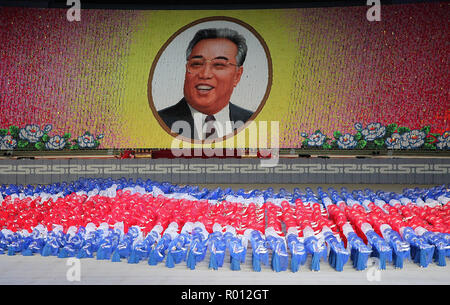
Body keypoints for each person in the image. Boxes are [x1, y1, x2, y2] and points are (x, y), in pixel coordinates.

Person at [158, 28, 254, 141]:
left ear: (237, 76)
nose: (205, 74)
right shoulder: (158, 121)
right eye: (197, 64)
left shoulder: (251, 121)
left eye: (219, 64)